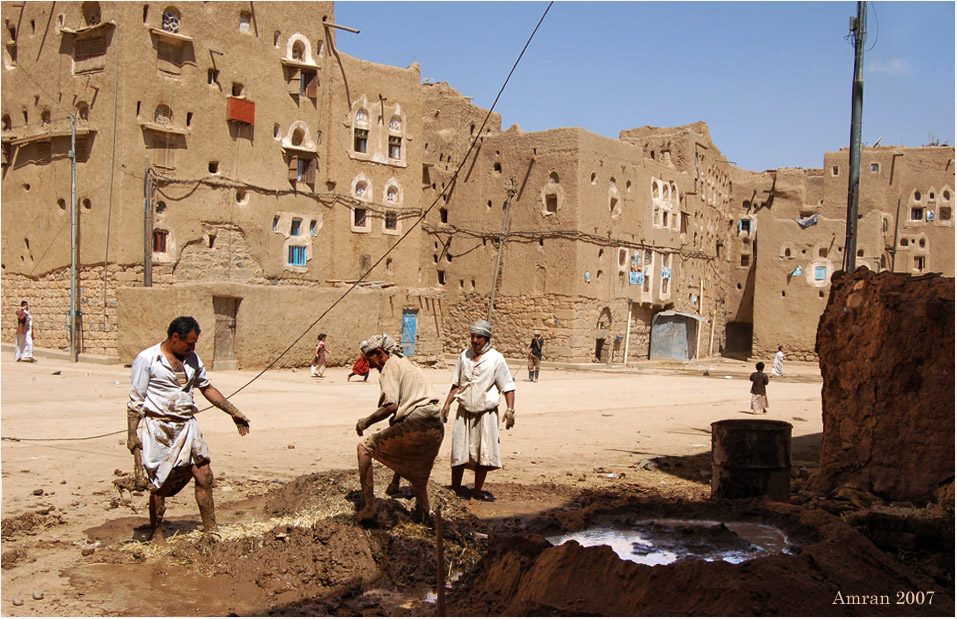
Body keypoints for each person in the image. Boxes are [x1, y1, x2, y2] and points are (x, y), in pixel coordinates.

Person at [127, 316, 251, 544]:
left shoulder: (192, 359)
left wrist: (233, 412)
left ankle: (210, 529)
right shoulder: (147, 359)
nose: (193, 348)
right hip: (160, 429)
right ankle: (156, 534)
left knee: (204, 474)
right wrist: (132, 435)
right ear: (175, 338)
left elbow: (206, 387)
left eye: (194, 344)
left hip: (188, 425)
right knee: (159, 484)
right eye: (189, 343)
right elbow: (136, 400)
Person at [354, 334, 444, 523]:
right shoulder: (408, 364)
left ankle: (369, 505)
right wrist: (395, 482)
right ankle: (422, 514)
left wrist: (366, 422)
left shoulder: (390, 367)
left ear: (379, 353)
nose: (370, 366)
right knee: (418, 476)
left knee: (364, 449)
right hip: (436, 424)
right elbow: (399, 422)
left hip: (418, 422)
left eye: (369, 360)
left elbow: (391, 407)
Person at [441, 319, 516, 501]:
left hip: (486, 414)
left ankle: (476, 493)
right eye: (473, 336)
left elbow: (508, 386)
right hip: (464, 411)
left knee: (484, 453)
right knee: (458, 450)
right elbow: (456, 384)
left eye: (479, 337)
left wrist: (510, 410)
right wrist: (447, 404)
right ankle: (456, 490)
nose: (475, 340)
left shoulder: (496, 359)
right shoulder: (464, 356)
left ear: (487, 338)